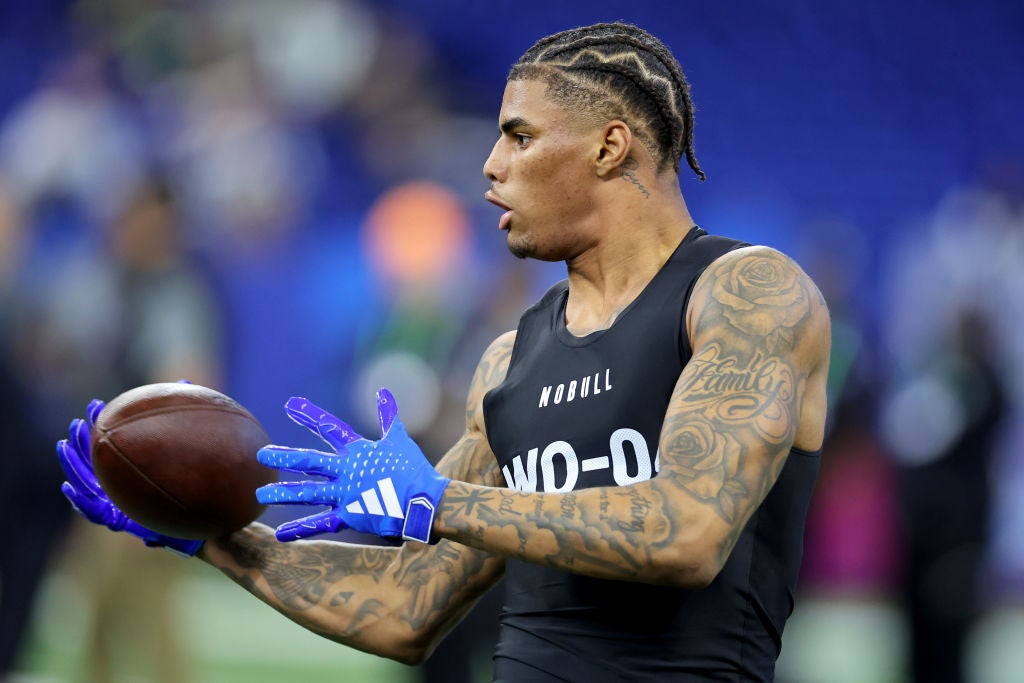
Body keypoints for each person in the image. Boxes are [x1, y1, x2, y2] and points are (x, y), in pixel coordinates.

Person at [57, 22, 831, 682]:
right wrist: (220, 541)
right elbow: (407, 608)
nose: (491, 165)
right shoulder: (509, 361)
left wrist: (435, 498)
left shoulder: (745, 292)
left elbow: (688, 530)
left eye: (520, 136)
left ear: (609, 146)